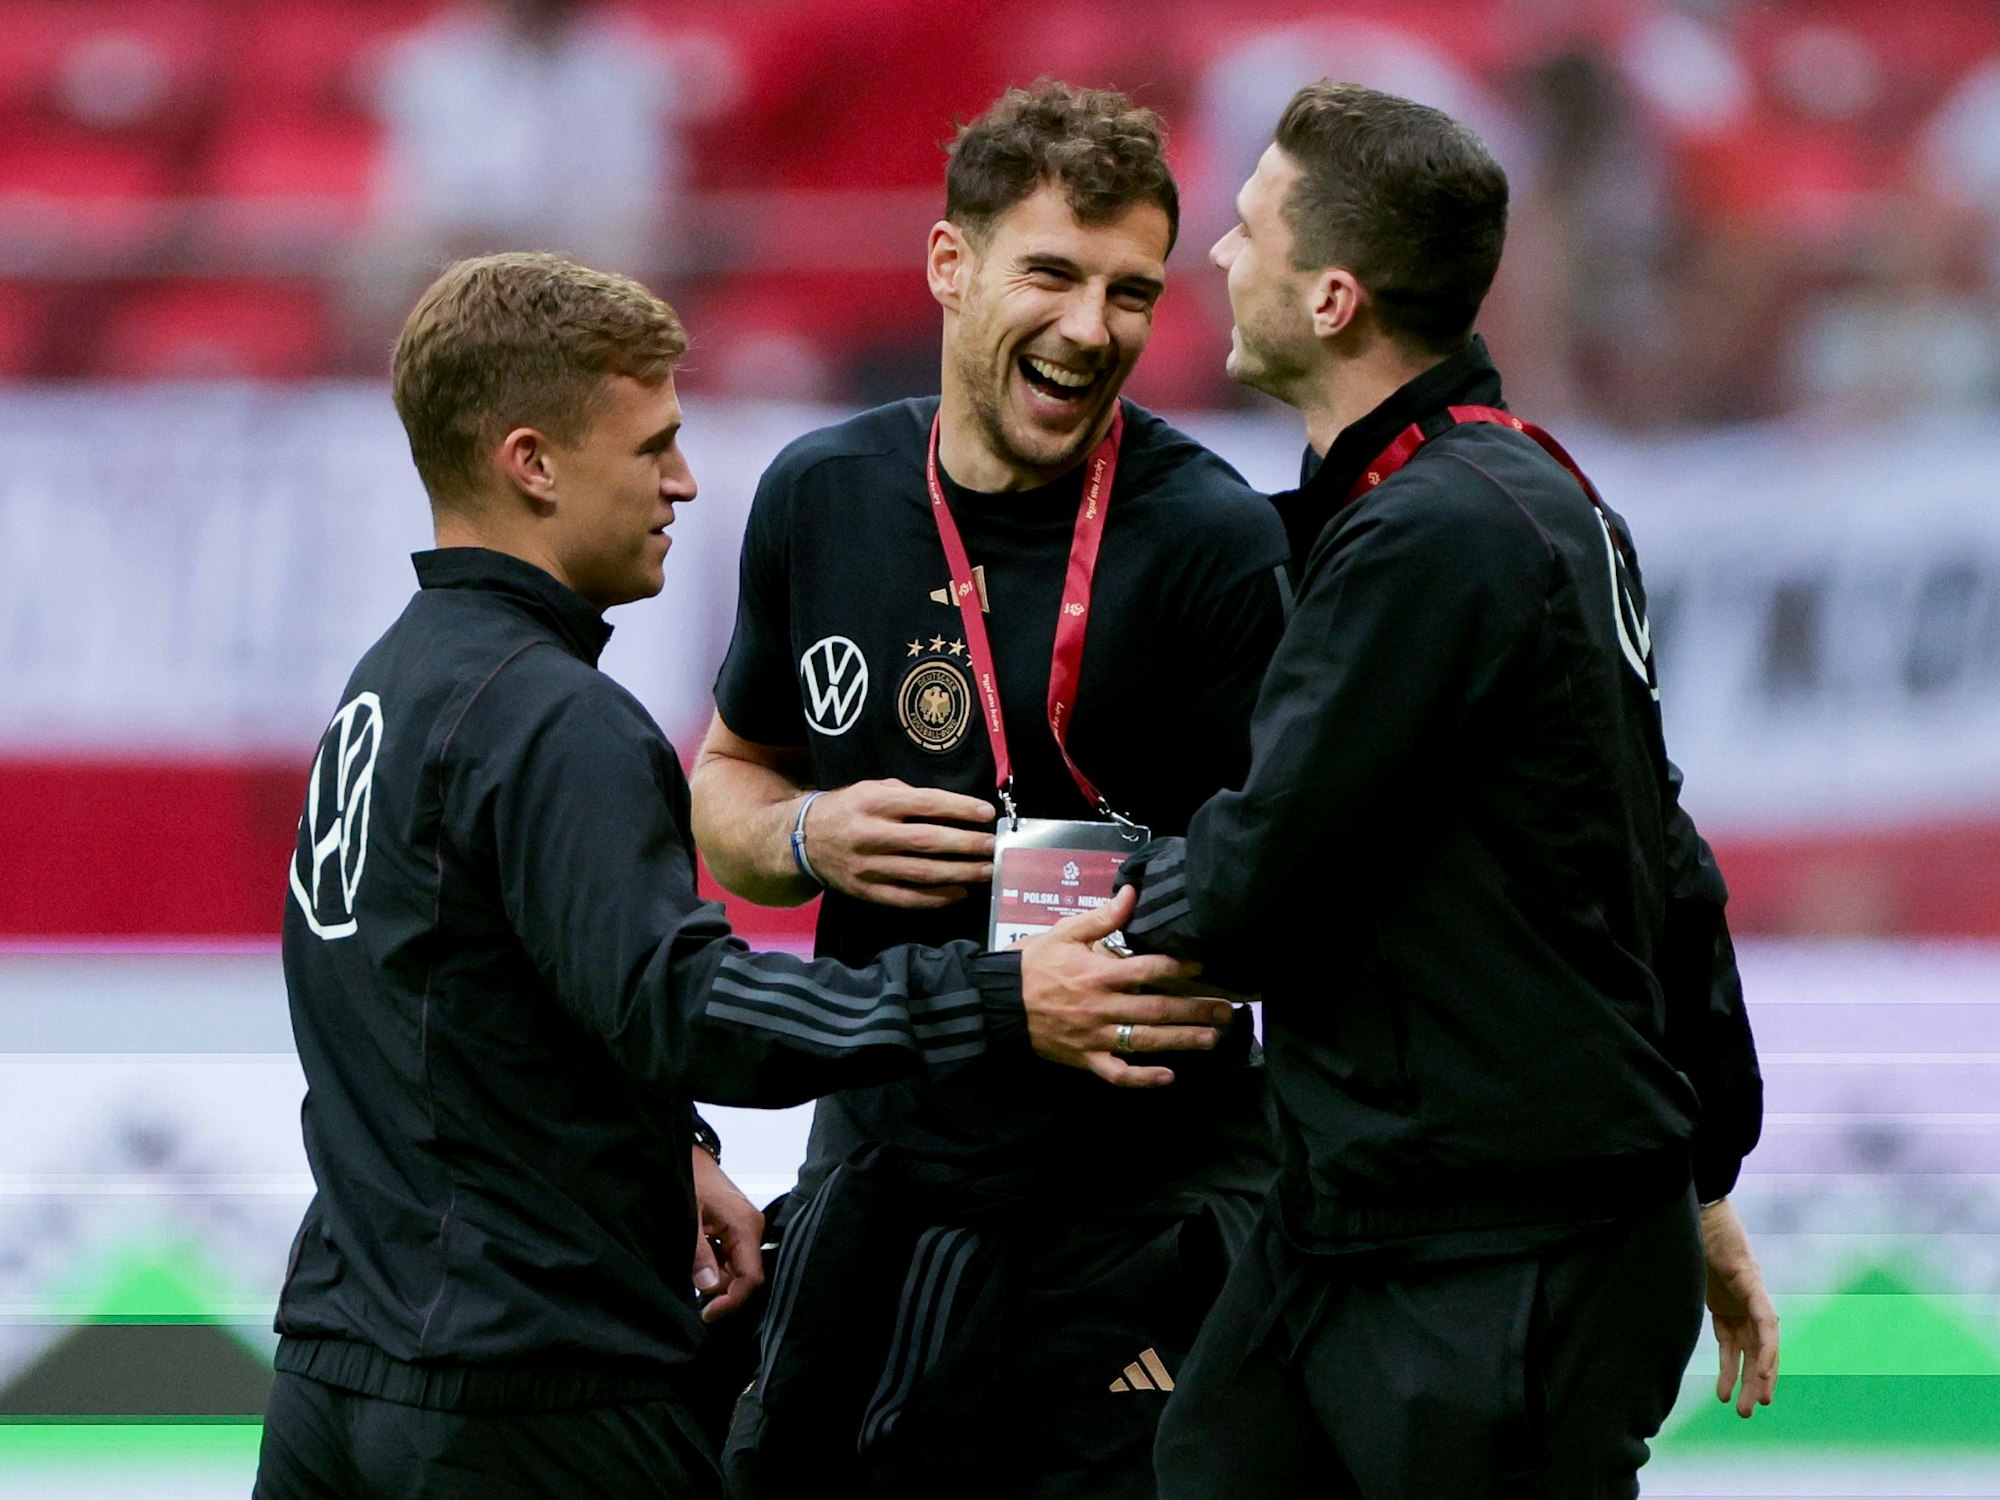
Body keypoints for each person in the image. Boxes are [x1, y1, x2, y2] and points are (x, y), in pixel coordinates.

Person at [253, 251, 1235, 1500]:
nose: (683, 481)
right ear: (530, 462)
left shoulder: (388, 686)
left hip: (337, 1364)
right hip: (528, 1393)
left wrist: (674, 1145)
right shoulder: (557, 721)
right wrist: (1001, 999)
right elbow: (689, 1005)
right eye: (651, 445)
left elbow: (463, 1002)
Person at [1114, 83, 1781, 1498]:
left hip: (1494, 1248)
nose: (1218, 259)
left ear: (1336, 297)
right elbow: (1663, 850)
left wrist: (1045, 906)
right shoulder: (1535, 493)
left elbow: (1247, 886)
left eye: (1247, 232)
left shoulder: (1430, 538)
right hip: (1370, 1218)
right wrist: (1707, 1170)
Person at [691, 81, 1289, 1499]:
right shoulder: (820, 493)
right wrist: (804, 834)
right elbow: (729, 778)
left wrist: (1168, 941)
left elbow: (1299, 872)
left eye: (1131, 290)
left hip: (1139, 1213)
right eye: (1053, 274)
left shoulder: (1216, 540)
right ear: (950, 265)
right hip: (884, 1180)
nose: (1093, 328)